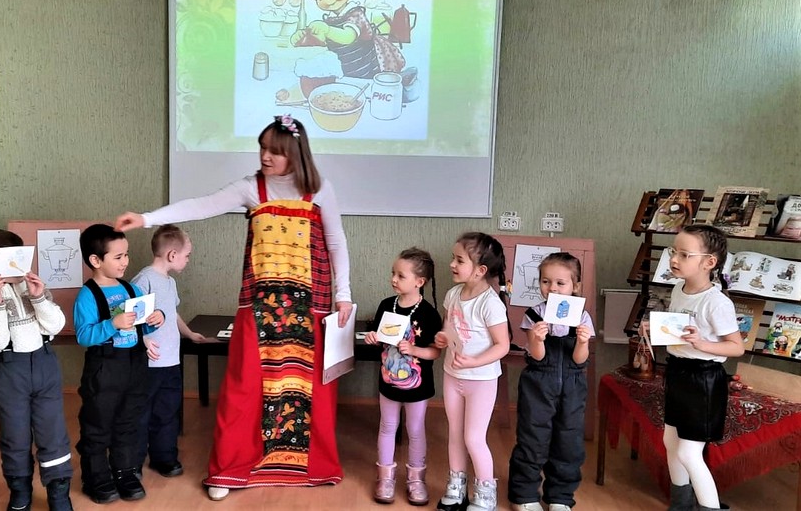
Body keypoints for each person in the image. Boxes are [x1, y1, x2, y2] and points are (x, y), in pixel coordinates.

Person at [114, 115, 354, 501]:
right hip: (258, 307)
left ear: (295, 154)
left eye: (274, 151)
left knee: (307, 387)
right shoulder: (250, 188)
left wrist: (344, 294)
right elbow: (202, 206)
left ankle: (307, 468)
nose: (265, 156)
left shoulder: (320, 189)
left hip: (310, 304)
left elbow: (336, 241)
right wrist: (147, 219)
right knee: (244, 387)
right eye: (262, 148)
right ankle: (231, 469)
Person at [0, 229, 73, 511]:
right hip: (9, 371)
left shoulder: (35, 289)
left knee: (53, 431)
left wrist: (39, 298)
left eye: (23, 258)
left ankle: (59, 491)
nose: (21, 267)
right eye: (12, 261)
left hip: (44, 364)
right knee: (14, 436)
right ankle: (20, 491)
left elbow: (55, 325)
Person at [641, 224, 744, 511]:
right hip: (677, 373)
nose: (674, 259)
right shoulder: (678, 288)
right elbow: (678, 334)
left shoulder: (717, 302)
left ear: (709, 262)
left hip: (704, 380)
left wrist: (702, 343)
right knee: (671, 442)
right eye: (674, 252)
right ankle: (681, 505)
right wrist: (653, 328)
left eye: (684, 254)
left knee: (689, 452)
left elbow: (736, 347)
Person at [74, 223, 164, 503]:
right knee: (98, 423)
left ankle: (124, 471)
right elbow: (84, 336)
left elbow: (141, 326)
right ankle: (95, 476)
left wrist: (155, 319)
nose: (125, 261)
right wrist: (112, 324)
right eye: (118, 256)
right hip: (104, 369)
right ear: (95, 260)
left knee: (129, 420)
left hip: (134, 365)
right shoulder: (87, 295)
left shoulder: (131, 289)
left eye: (126, 254)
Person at [507, 253, 594, 511]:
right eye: (546, 282)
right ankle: (524, 495)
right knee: (532, 438)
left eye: (560, 283)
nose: (552, 288)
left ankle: (560, 496)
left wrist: (582, 342)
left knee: (569, 441)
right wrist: (536, 339)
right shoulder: (535, 314)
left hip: (573, 385)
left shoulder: (582, 317)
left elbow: (580, 360)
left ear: (575, 286)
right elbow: (537, 357)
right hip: (539, 383)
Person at [434, 232, 511, 511]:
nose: (452, 264)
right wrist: (442, 338)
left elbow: (502, 345)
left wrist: (473, 362)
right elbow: (448, 328)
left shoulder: (490, 303)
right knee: (455, 434)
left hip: (481, 380)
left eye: (459, 260)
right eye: (453, 258)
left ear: (480, 270)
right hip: (452, 376)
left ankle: (486, 493)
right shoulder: (452, 295)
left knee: (473, 438)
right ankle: (456, 487)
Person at [362, 248, 442, 505]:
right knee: (387, 427)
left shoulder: (429, 314)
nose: (393, 279)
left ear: (419, 281)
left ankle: (416, 479)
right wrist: (373, 338)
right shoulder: (387, 305)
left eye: (401, 275)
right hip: (388, 383)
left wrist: (414, 350)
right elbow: (379, 338)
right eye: (393, 273)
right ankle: (385, 476)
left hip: (417, 388)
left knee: (415, 430)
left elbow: (435, 352)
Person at [131, 224, 206, 478]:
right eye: (187, 255)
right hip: (150, 364)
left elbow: (172, 313)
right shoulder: (143, 280)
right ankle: (133, 462)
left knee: (167, 411)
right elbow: (130, 317)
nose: (188, 260)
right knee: (142, 413)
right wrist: (143, 340)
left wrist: (189, 334)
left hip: (171, 362)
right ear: (172, 255)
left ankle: (164, 457)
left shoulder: (170, 282)